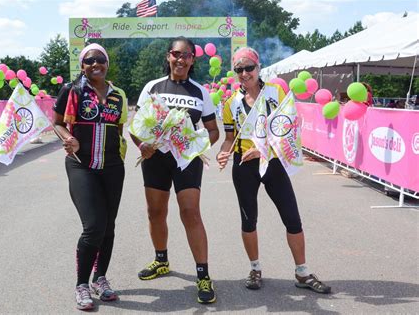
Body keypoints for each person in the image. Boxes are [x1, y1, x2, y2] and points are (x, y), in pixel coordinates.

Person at [216, 47, 331, 294]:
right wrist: (223, 152)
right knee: (248, 220)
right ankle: (255, 269)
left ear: (258, 68)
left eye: (249, 68)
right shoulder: (230, 103)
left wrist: (262, 149)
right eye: (239, 69)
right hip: (244, 165)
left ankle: (302, 272)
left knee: (292, 218)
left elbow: (287, 128)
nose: (244, 73)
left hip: (273, 161)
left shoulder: (275, 92)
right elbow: (229, 138)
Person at [130, 36, 219, 304]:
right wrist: (142, 145)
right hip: (155, 158)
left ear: (193, 59)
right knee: (156, 212)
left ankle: (203, 275)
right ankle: (161, 260)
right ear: (168, 56)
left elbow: (212, 130)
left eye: (186, 55)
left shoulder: (200, 92)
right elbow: (137, 127)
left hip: (186, 161)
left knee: (190, 212)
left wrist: (197, 146)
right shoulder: (152, 87)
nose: (180, 59)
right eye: (176, 54)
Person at [52, 43, 128, 310]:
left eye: (100, 60)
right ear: (82, 65)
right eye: (89, 60)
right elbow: (57, 122)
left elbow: (119, 129)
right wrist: (68, 137)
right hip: (81, 165)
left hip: (112, 167)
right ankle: (82, 284)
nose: (95, 64)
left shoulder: (118, 95)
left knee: (109, 227)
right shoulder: (71, 91)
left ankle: (101, 278)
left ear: (107, 64)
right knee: (94, 225)